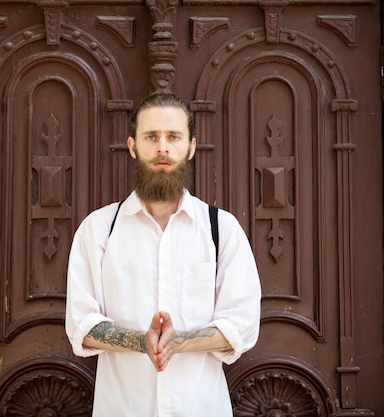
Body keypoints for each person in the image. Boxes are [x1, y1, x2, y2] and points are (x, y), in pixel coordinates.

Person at [65, 93, 261, 417]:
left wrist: (178, 340)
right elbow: (81, 326)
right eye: (151, 136)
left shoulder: (221, 228)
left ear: (191, 147)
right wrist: (141, 341)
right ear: (132, 146)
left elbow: (243, 324)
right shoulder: (98, 230)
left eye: (173, 137)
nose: (163, 148)